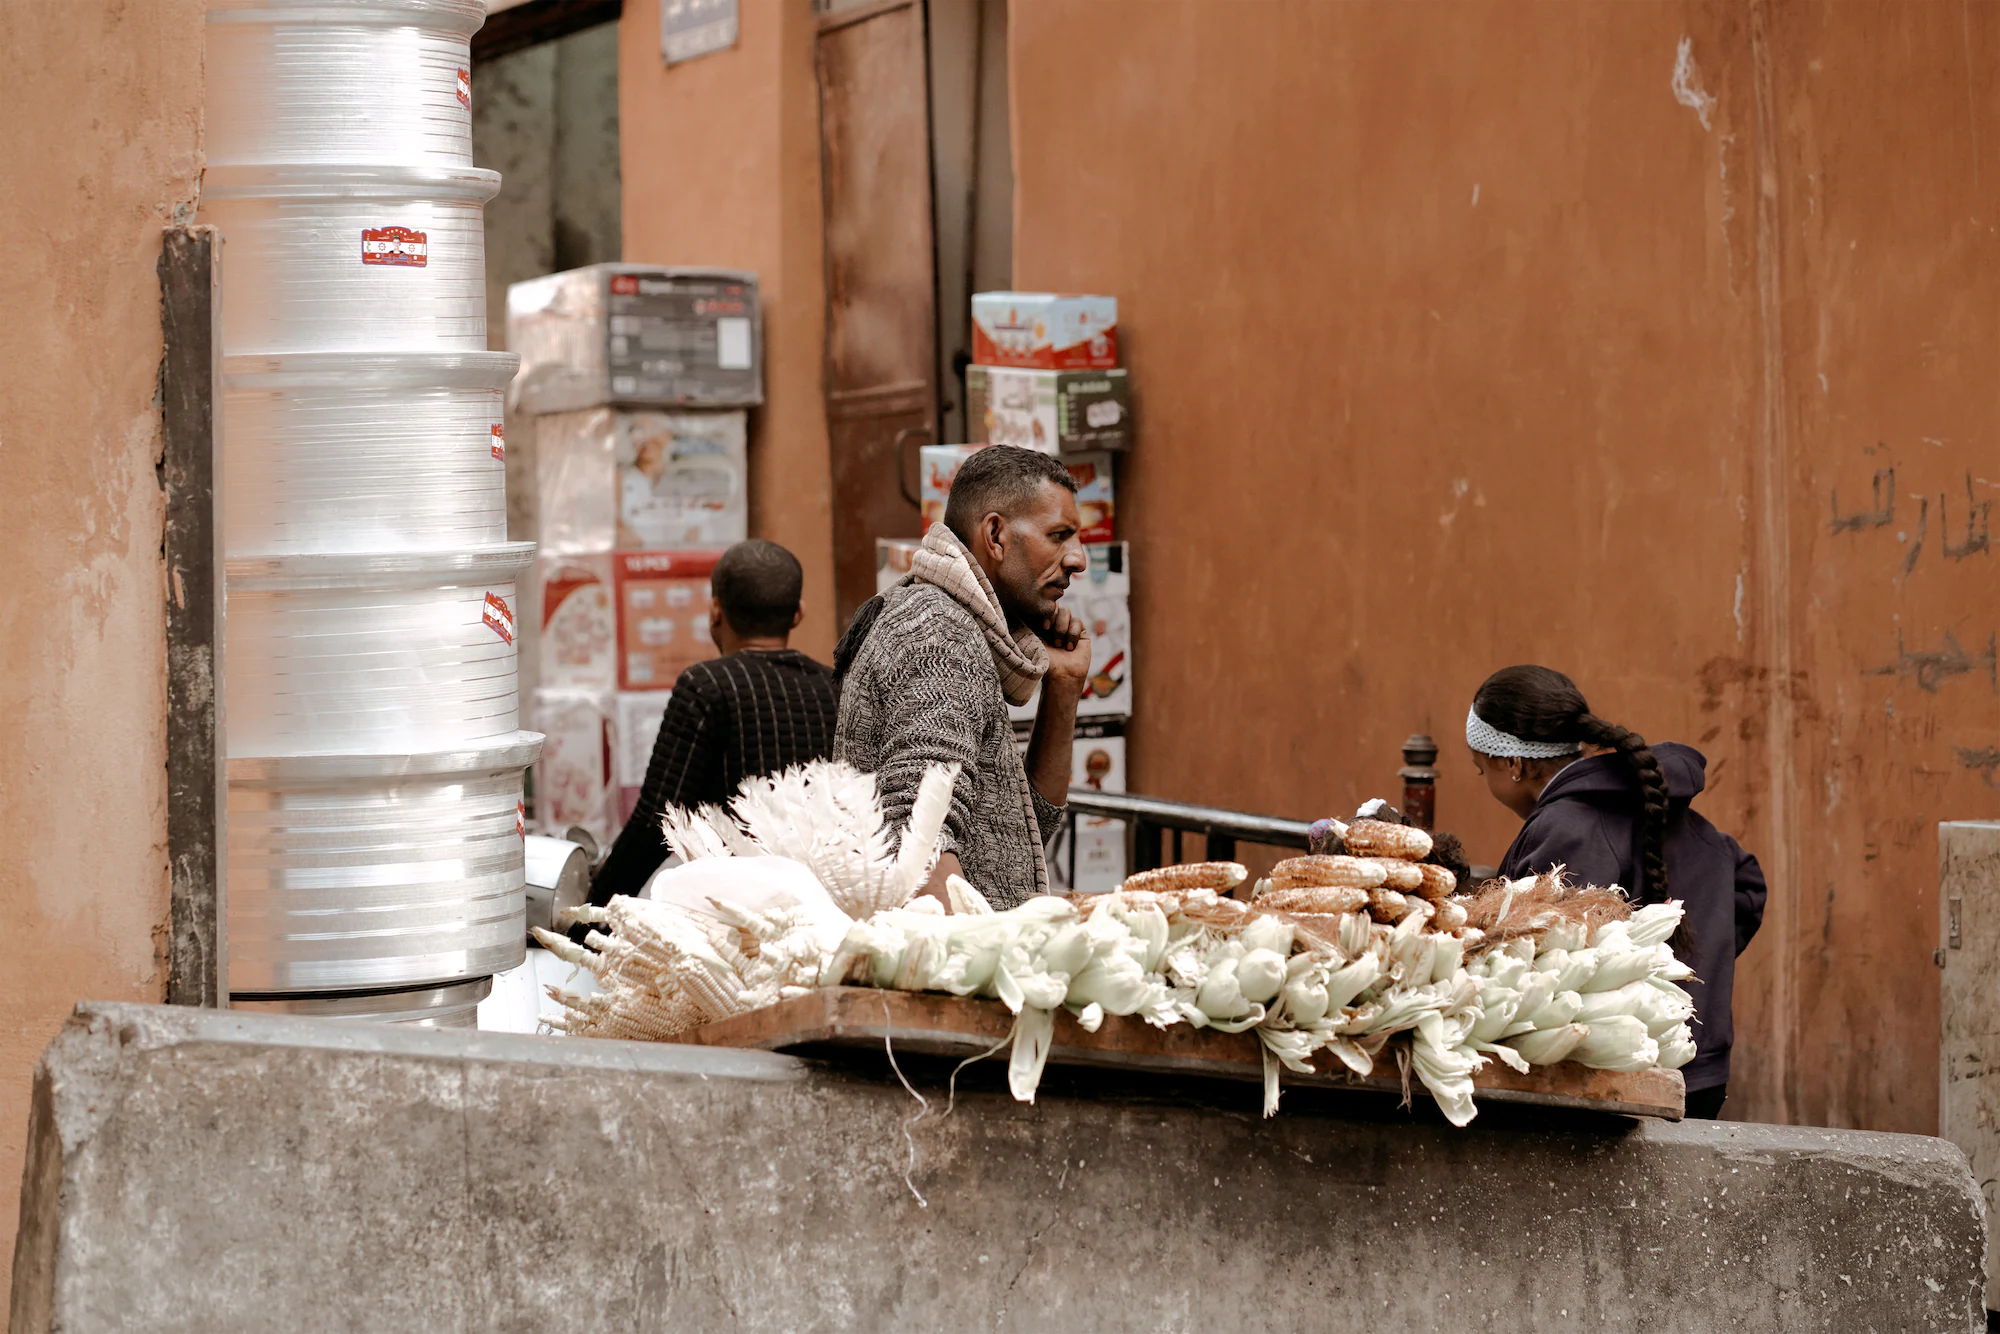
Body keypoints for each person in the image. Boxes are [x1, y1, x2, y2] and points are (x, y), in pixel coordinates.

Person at [1465, 664, 1768, 1120]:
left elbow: (1544, 967)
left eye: (1480, 768)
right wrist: (1702, 964)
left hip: (1619, 1081)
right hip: (1701, 1069)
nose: (1483, 780)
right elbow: (1747, 885)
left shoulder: (1566, 830)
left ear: (1513, 764)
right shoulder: (1649, 797)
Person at [834, 445, 1091, 910]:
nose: (1078, 559)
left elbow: (1017, 832)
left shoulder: (953, 623)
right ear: (995, 535)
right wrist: (988, 958)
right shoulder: (940, 633)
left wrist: (1065, 689)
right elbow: (917, 840)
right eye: (1059, 535)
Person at [585, 540, 839, 907]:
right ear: (798, 614)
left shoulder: (706, 687)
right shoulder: (834, 688)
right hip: (823, 908)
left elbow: (657, 819)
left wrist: (590, 914)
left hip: (732, 913)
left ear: (714, 613)